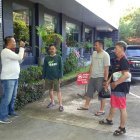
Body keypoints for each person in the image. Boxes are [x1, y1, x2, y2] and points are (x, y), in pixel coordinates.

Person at [99, 41, 130, 136]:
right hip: (115, 87)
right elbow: (114, 73)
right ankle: (109, 119)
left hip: (120, 88)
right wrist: (108, 82)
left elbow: (126, 75)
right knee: (113, 104)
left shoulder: (124, 60)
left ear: (122, 49)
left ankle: (122, 127)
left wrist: (115, 83)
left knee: (122, 108)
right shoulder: (118, 60)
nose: (114, 50)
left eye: (116, 48)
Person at [77, 40, 110, 116]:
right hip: (92, 77)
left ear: (101, 45)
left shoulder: (105, 55)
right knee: (89, 92)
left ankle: (102, 110)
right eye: (94, 45)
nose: (94, 46)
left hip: (100, 77)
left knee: (102, 94)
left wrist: (105, 80)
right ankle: (86, 106)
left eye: (96, 45)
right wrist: (89, 74)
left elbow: (106, 69)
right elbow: (91, 65)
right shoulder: (94, 53)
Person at [0, 36, 25, 123]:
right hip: (8, 78)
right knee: (7, 98)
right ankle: (2, 117)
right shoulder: (5, 51)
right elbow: (19, 57)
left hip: (14, 77)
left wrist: (22, 57)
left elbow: (18, 61)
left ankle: (11, 111)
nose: (15, 43)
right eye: (13, 41)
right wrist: (22, 48)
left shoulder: (11, 52)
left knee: (13, 97)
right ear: (8, 43)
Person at [43, 44, 64, 112]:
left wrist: (60, 77)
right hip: (48, 77)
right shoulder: (46, 58)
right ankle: (52, 102)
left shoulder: (59, 57)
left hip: (56, 77)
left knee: (58, 91)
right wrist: (43, 77)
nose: (52, 50)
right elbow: (44, 68)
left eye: (53, 49)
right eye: (50, 49)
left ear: (55, 50)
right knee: (50, 90)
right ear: (49, 50)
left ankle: (61, 105)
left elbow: (61, 68)